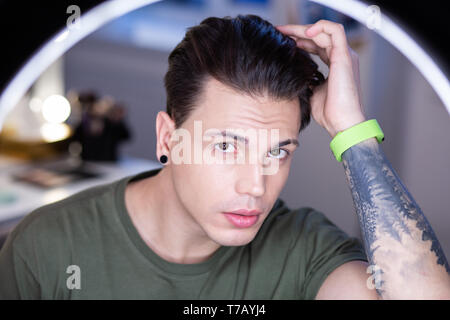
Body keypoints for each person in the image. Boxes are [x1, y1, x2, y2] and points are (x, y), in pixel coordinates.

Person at [0, 14, 449, 299]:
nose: (256, 185)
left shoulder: (305, 250)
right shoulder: (48, 249)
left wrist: (352, 131)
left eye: (277, 152)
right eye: (226, 145)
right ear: (167, 138)